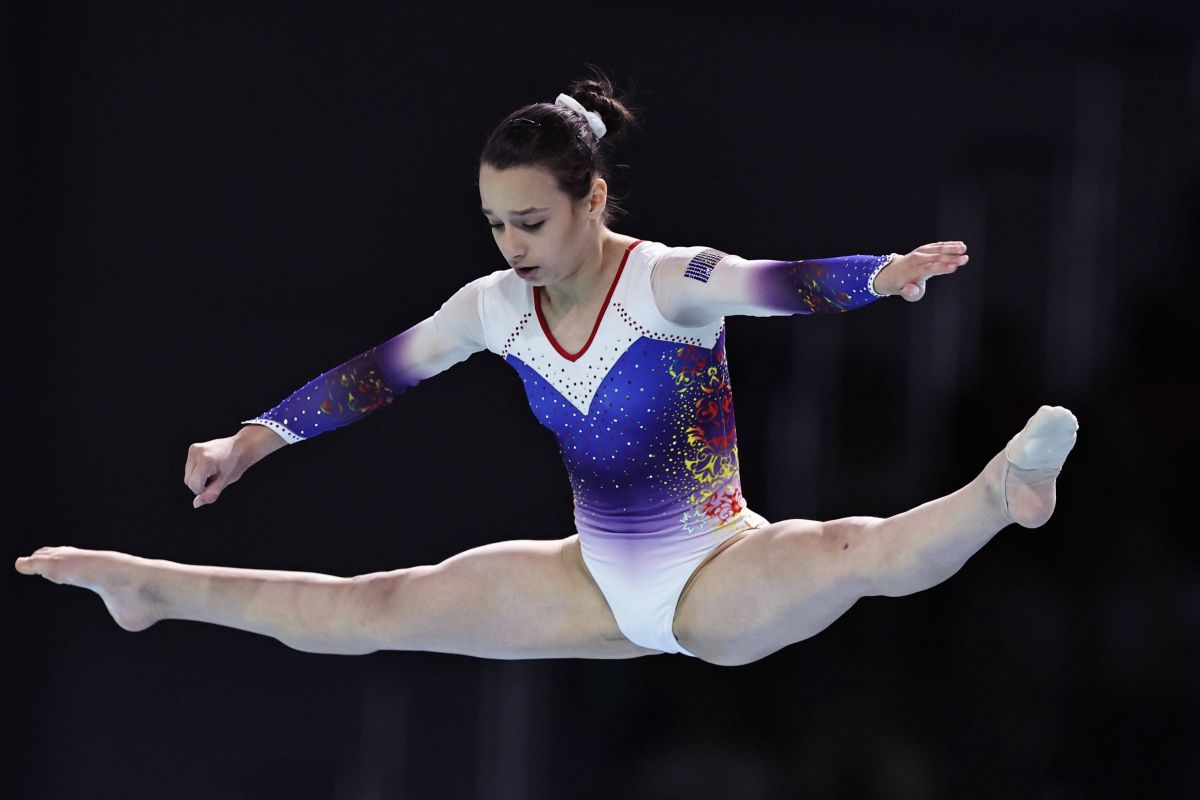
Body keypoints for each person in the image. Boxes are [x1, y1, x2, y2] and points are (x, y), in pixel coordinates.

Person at [14, 69, 1078, 666]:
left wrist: (879, 275)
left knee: (854, 551)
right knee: (370, 610)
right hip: (587, 583)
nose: (511, 244)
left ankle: (1004, 491)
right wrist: (253, 438)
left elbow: (773, 283)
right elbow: (378, 373)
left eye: (530, 220)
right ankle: (149, 590)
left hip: (716, 575)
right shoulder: (493, 308)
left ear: (592, 200)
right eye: (495, 222)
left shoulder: (665, 284)